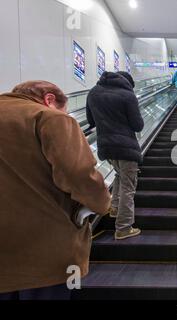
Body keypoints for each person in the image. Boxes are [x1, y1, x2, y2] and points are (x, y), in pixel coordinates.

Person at [0, 81, 111, 300]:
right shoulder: (49, 118)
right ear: (49, 99)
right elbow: (79, 175)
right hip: (44, 253)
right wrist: (103, 203)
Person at [86, 71, 144, 241]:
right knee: (129, 185)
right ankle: (124, 227)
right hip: (126, 147)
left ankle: (115, 207)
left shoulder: (93, 93)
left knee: (119, 176)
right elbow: (138, 125)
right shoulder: (127, 95)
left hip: (105, 146)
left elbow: (91, 121)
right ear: (127, 82)